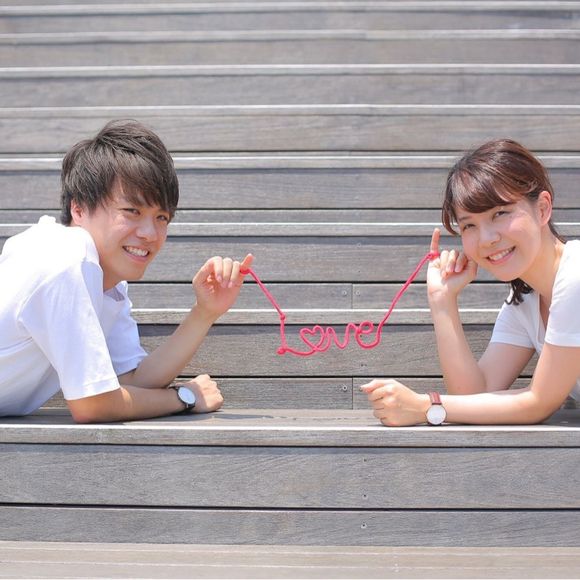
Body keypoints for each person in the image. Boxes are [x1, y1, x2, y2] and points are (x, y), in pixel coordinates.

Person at [0, 119, 252, 423]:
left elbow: (132, 380)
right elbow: (93, 404)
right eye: (132, 211)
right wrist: (185, 398)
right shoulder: (66, 258)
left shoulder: (105, 280)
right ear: (79, 208)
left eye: (161, 217)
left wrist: (204, 312)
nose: (150, 233)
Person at [362, 139, 580, 426]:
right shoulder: (526, 301)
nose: (487, 238)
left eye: (500, 213)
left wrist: (427, 406)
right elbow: (475, 395)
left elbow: (540, 402)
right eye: (469, 225)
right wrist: (442, 301)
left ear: (542, 208)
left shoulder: (575, 275)